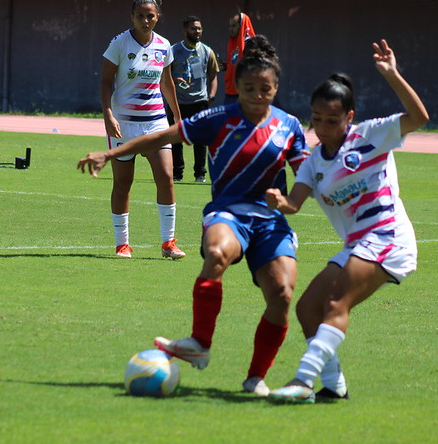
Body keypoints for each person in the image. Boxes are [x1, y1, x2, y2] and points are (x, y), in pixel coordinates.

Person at [79, 36, 309, 397]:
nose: (256, 95)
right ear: (237, 88)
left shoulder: (289, 126)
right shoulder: (218, 118)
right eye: (248, 88)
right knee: (216, 253)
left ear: (276, 87)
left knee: (281, 294)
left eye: (265, 89)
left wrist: (290, 203)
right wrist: (111, 155)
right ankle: (200, 342)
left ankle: (255, 378)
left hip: (269, 220)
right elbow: (160, 136)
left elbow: (307, 175)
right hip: (228, 212)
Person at [264, 39, 430, 403]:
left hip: (388, 237)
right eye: (317, 119)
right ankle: (334, 386)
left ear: (349, 117)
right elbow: (295, 203)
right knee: (308, 308)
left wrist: (393, 75)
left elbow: (419, 118)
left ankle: (303, 381)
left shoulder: (371, 135)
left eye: (332, 120)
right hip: (357, 244)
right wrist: (279, 202)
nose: (323, 127)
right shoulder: (312, 161)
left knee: (337, 303)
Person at [99, 0, 185, 259]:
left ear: (158, 16)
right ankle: (122, 244)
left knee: (166, 177)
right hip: (123, 124)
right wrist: (108, 115)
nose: (145, 20)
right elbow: (105, 82)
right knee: (123, 183)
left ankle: (168, 242)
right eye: (140, 16)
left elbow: (167, 82)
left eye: (150, 16)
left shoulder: (164, 45)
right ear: (132, 16)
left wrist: (178, 118)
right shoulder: (119, 43)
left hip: (155, 122)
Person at [168, 16, 220, 183]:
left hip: (200, 102)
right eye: (193, 28)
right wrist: (175, 81)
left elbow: (213, 75)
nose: (197, 31)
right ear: (185, 30)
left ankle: (200, 174)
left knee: (200, 140)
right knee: (176, 139)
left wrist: (211, 96)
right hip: (178, 102)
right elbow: (166, 75)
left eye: (199, 28)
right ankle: (177, 173)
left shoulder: (207, 51)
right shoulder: (174, 50)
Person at [223, 12, 256, 105]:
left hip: (244, 94)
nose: (230, 29)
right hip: (230, 92)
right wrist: (227, 66)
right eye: (230, 26)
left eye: (233, 26)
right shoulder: (233, 42)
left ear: (242, 26)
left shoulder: (251, 45)